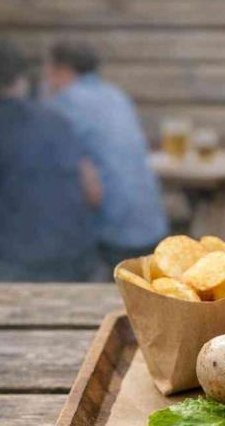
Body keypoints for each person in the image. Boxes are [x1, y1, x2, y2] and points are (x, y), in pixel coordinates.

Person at [45, 39, 169, 271]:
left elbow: (88, 186)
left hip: (113, 232)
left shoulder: (63, 104)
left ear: (62, 70)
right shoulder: (115, 95)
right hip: (153, 224)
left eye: (49, 71)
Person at [0, 39, 100, 282]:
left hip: (10, 270)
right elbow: (94, 193)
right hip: (78, 263)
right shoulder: (57, 119)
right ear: (21, 79)